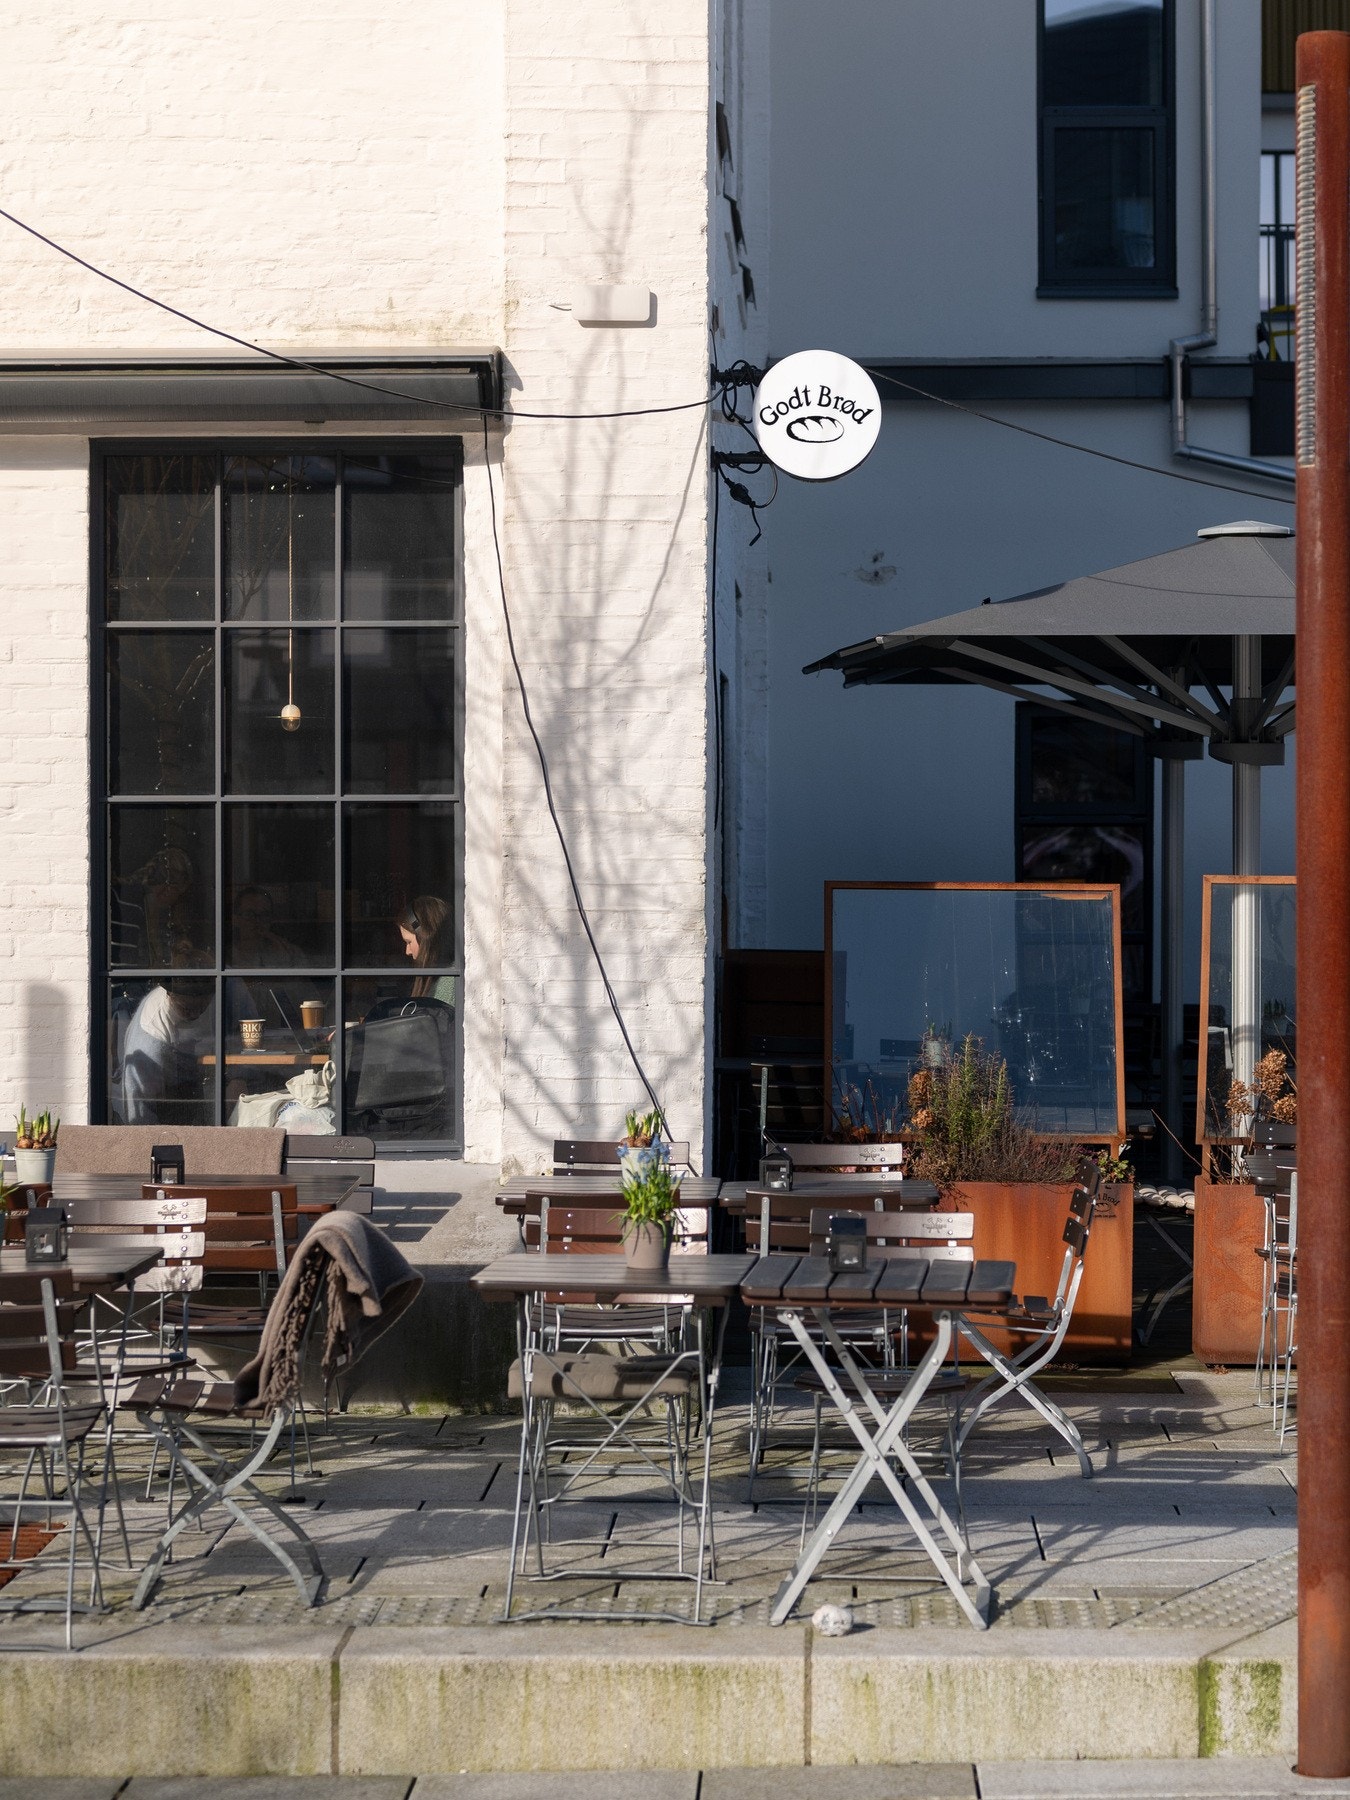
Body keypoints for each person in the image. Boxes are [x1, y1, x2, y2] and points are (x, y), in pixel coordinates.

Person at [397, 896, 456, 1006]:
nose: (407, 951)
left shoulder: (449, 982)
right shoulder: (444, 975)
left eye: (409, 942)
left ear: (424, 938)